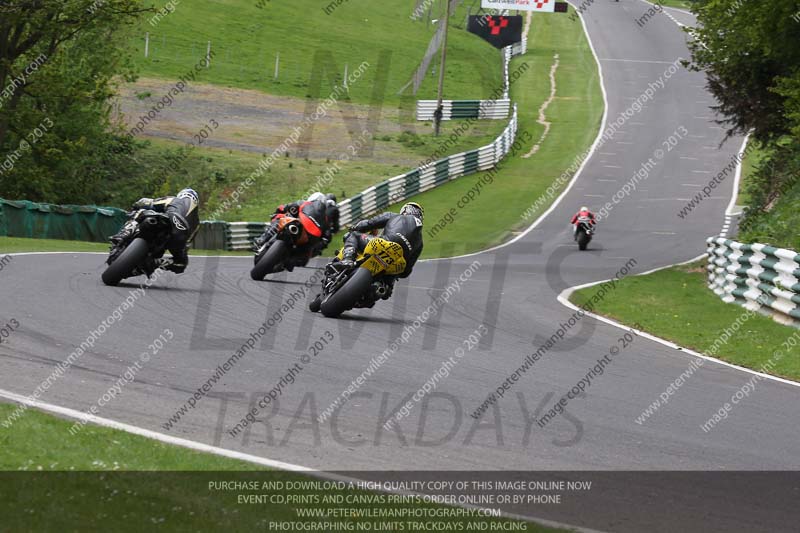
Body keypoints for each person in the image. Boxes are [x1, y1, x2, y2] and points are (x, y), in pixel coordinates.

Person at [110, 188, 200, 273]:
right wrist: (180, 251)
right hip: (175, 239)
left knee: (141, 211)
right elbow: (188, 243)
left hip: (161, 222)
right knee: (180, 264)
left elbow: (148, 202)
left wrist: (135, 207)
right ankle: (154, 263)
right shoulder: (197, 223)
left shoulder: (174, 200)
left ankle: (123, 234)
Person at [340, 202, 424, 280]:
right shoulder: (420, 242)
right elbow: (406, 272)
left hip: (384, 243)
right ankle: (384, 286)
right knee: (391, 278)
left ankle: (348, 259)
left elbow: (371, 223)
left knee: (354, 235)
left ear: (405, 210)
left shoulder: (395, 216)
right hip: (397, 263)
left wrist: (356, 228)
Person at [252, 192, 333, 271]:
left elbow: (283, 207)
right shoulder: (325, 220)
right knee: (302, 259)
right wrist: (319, 245)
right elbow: (327, 237)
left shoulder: (303, 203)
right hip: (306, 238)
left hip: (302, 237)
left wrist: (277, 213)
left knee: (279, 218)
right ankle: (285, 261)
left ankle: (263, 239)